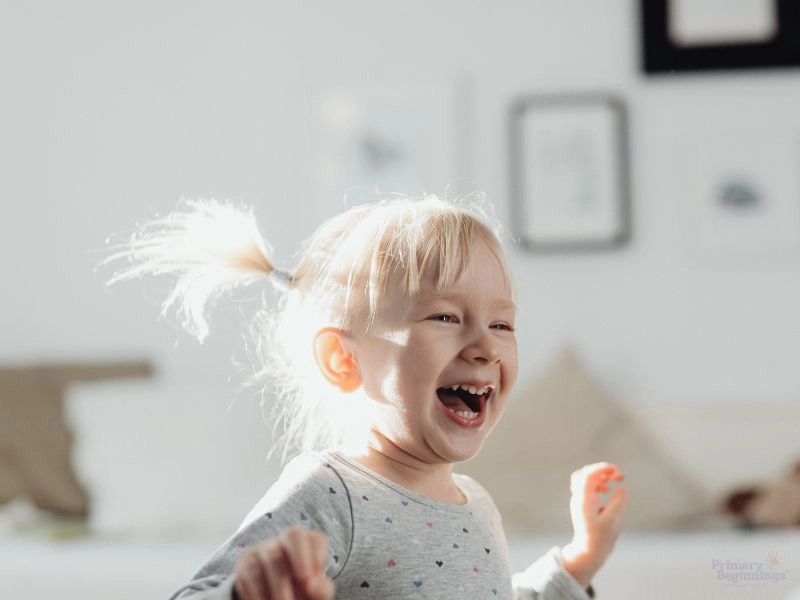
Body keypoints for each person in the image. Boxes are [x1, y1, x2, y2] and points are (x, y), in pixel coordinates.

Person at [109, 195, 628, 599]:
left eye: (502, 323)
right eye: (446, 317)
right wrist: (247, 591)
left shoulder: (477, 505)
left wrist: (579, 560)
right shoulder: (334, 493)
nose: (485, 345)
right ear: (344, 359)